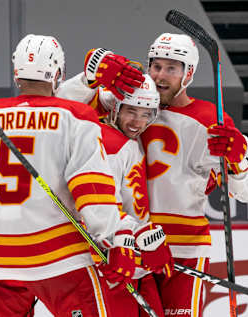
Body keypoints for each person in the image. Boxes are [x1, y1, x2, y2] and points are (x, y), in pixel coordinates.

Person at [0, 34, 147, 317]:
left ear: (16, 73)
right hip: (58, 259)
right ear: (58, 73)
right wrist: (115, 239)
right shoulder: (76, 116)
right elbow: (92, 188)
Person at [140, 33, 248, 316]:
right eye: (156, 66)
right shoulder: (130, 107)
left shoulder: (211, 119)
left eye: (171, 68)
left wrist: (238, 157)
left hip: (184, 246)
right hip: (132, 242)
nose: (160, 75)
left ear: (189, 73)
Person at [58, 55, 173, 317]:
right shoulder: (108, 145)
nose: (138, 122)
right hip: (112, 263)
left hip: (134, 263)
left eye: (146, 115)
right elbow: (101, 209)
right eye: (131, 111)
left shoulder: (130, 141)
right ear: (115, 108)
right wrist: (144, 238)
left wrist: (146, 240)